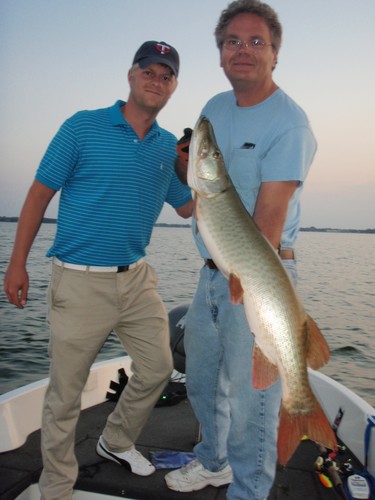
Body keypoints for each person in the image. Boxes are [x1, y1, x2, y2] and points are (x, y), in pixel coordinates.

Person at [3, 40, 193, 500]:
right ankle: (57, 487)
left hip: (136, 280)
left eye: (165, 75)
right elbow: (38, 194)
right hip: (79, 280)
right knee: (65, 396)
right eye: (148, 70)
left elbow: (188, 209)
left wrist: (191, 167)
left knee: (158, 367)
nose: (156, 79)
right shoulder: (82, 127)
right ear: (130, 76)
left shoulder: (167, 146)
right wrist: (17, 263)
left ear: (173, 88)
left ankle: (116, 441)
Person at [166, 1, 317, 499]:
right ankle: (212, 462)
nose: (244, 50)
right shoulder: (213, 107)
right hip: (213, 273)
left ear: (276, 54)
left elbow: (265, 232)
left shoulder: (290, 124)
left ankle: (249, 490)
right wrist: (187, 168)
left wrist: (245, 292)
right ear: (220, 53)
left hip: (258, 274)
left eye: (257, 42)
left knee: (254, 399)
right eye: (233, 41)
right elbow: (201, 201)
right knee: (204, 383)